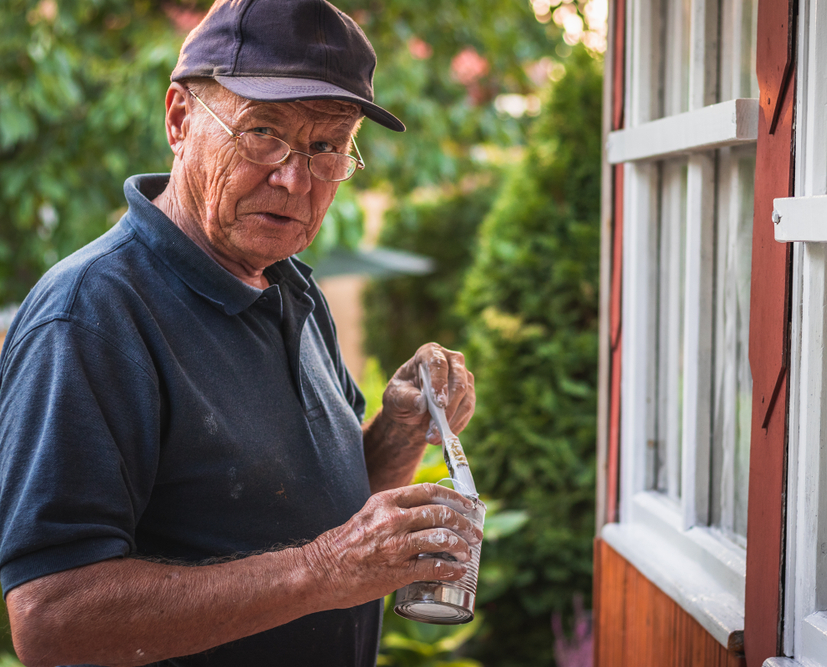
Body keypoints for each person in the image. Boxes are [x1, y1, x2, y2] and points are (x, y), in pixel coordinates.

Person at [0, 1, 482, 665]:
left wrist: (398, 432)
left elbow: (326, 514)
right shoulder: (91, 314)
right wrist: (326, 568)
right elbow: (50, 621)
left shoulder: (293, 286)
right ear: (178, 118)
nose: (295, 179)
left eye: (328, 147)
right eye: (263, 132)